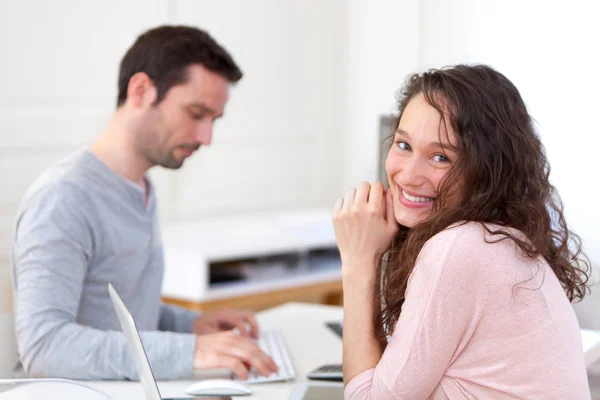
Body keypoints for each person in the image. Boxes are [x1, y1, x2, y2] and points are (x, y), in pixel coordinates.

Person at [10, 25, 278, 381]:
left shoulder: (139, 188)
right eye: (196, 114)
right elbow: (44, 349)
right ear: (140, 91)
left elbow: (116, 312)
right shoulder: (63, 199)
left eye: (214, 120)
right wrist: (191, 351)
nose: (206, 137)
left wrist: (190, 325)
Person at [333, 64, 592, 399]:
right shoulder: (498, 239)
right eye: (403, 145)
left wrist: (357, 261)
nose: (409, 175)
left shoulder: (460, 247)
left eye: (441, 157)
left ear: (485, 171)